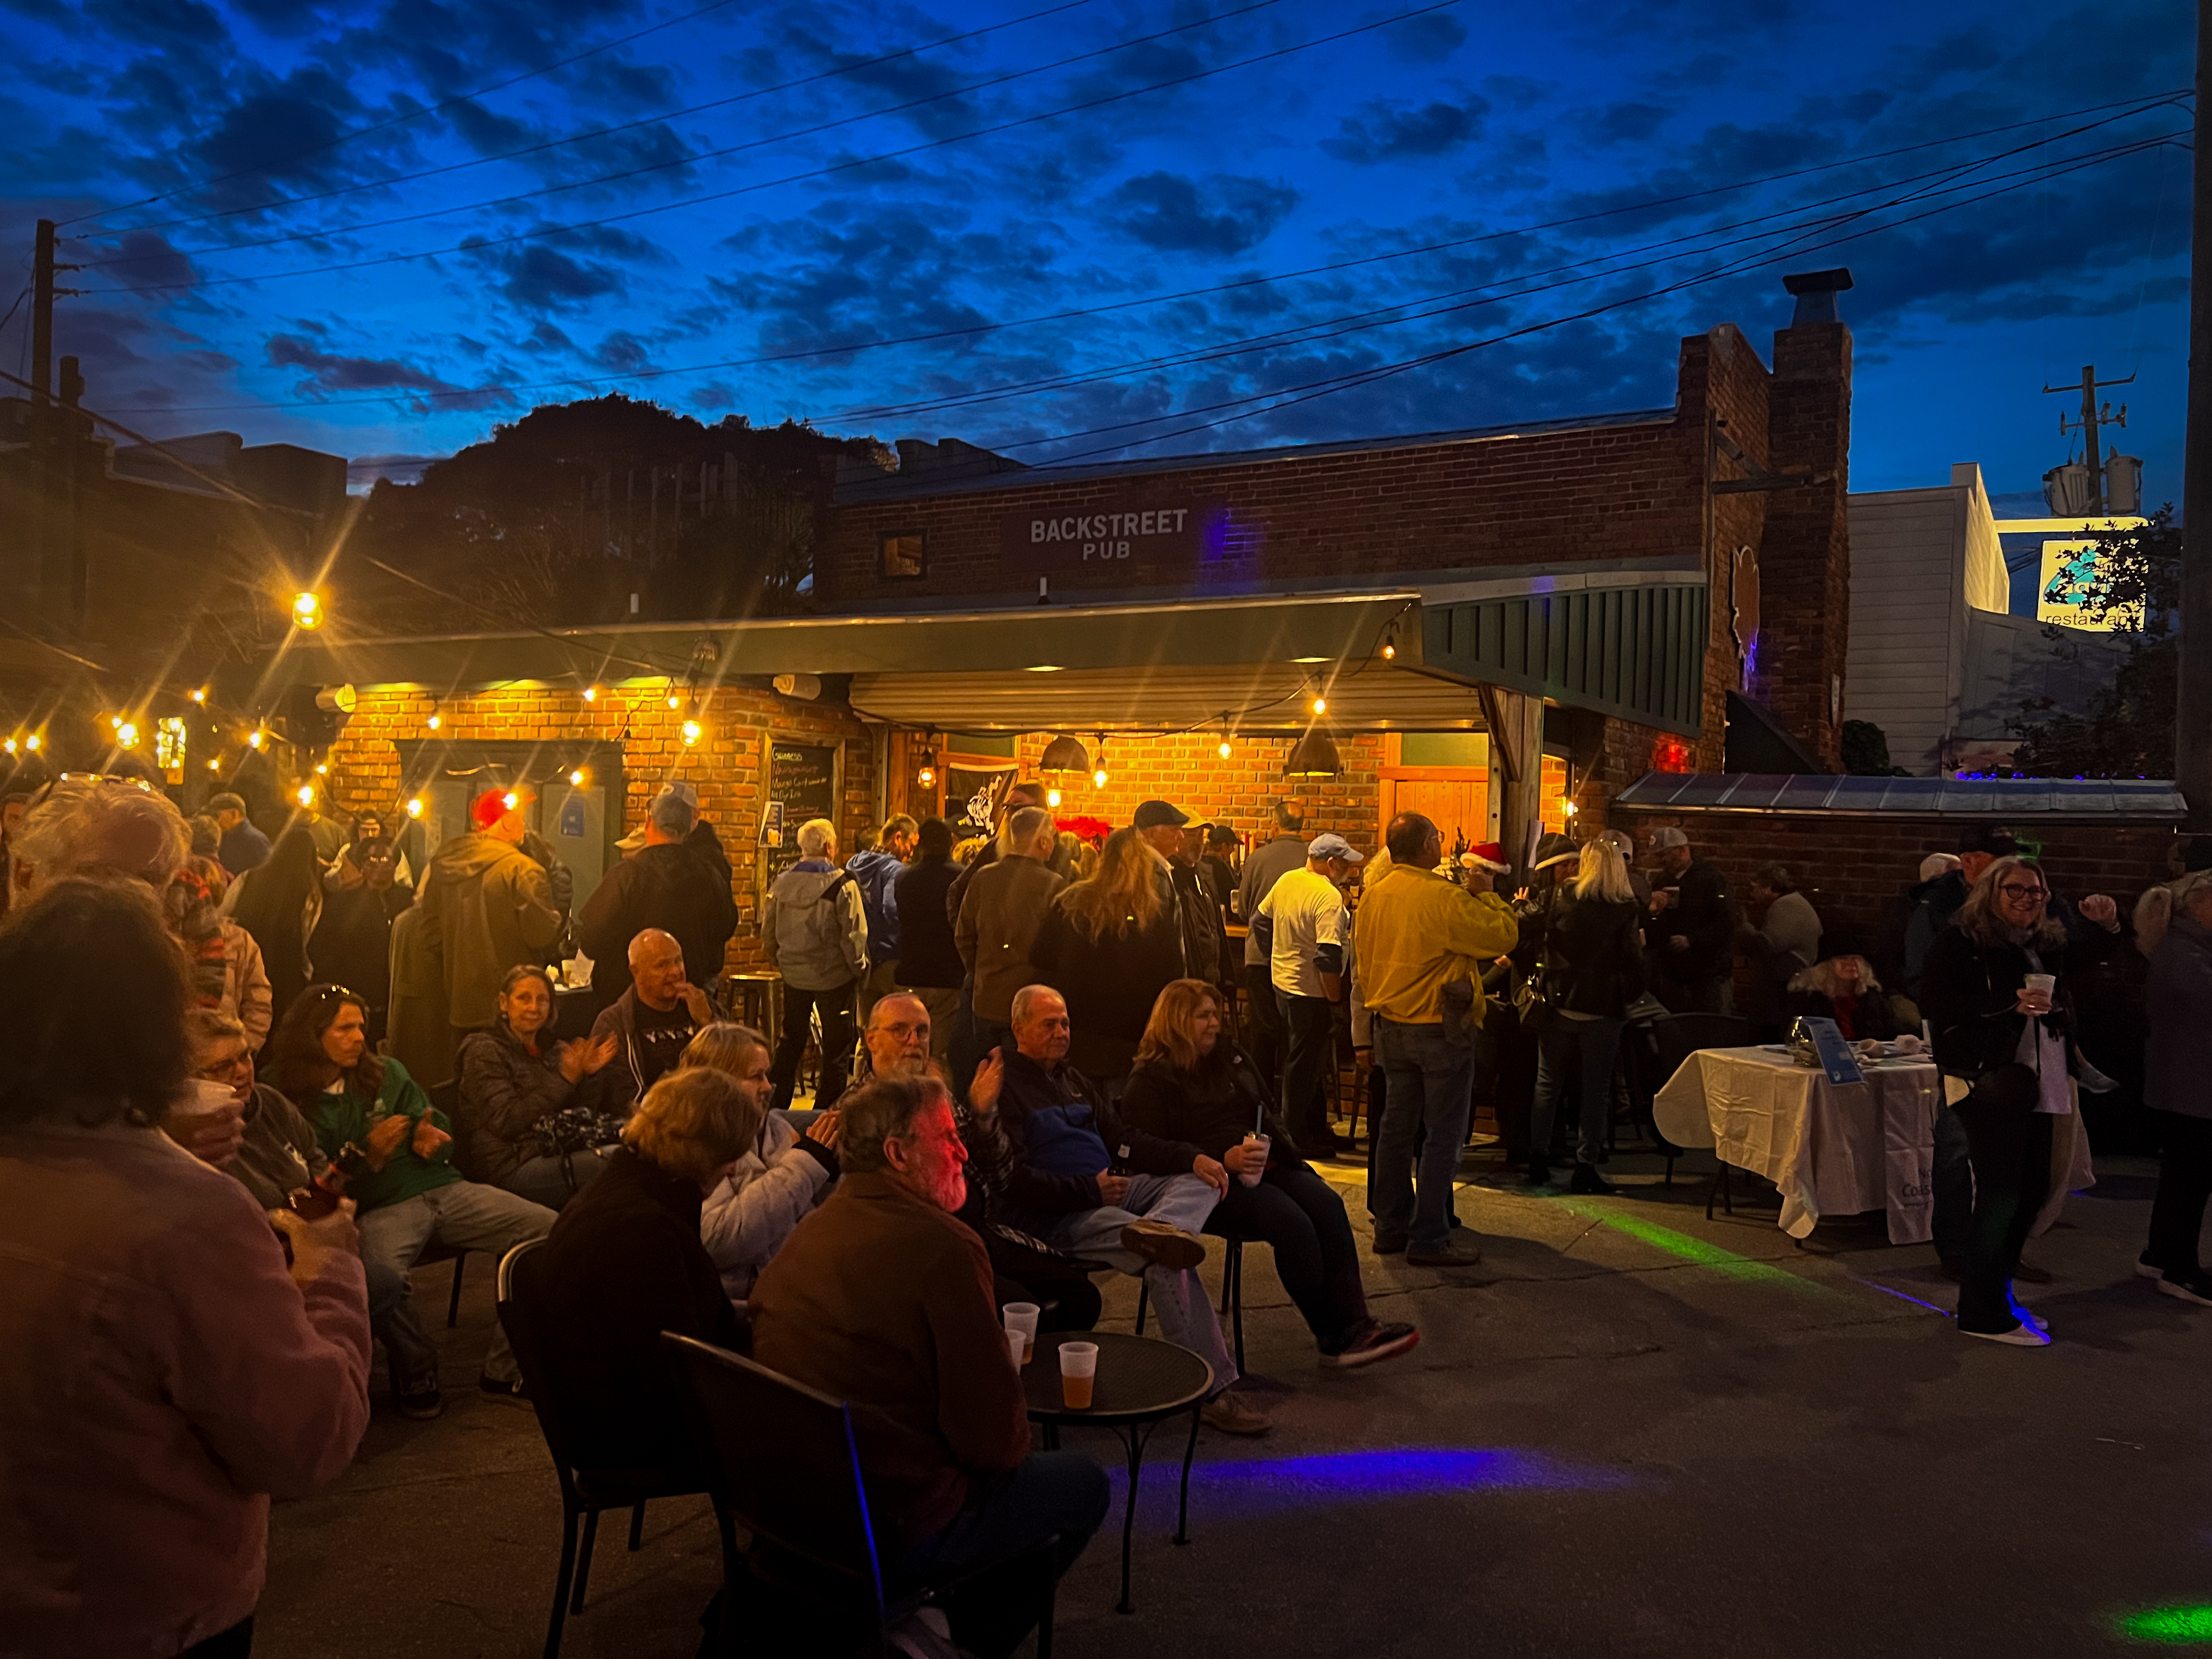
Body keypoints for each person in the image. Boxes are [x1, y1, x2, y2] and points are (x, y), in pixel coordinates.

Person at [0, 877, 369, 1658]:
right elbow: (306, 1441)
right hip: (144, 1611)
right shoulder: (189, 1219)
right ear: (158, 1032)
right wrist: (330, 1270)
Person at [750, 1073, 1110, 1656]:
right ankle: (957, 1640)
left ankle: (923, 1621)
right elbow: (994, 1443)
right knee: (1082, 1483)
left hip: (797, 1509)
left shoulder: (811, 1231)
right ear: (897, 1154)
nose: (964, 1152)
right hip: (893, 1522)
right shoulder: (943, 1245)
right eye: (947, 1138)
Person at [967, 984, 1266, 1433]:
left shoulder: (1073, 1079)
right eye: (1049, 1023)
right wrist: (1089, 1190)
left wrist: (1191, 1157)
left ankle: (1164, 1230)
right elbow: (1014, 1183)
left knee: (1198, 1181)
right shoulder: (1002, 1086)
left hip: (1112, 1192)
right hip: (1058, 1214)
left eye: (1065, 1022)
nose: (1061, 1031)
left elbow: (1125, 1140)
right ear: (1019, 1028)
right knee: (1165, 1261)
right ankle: (1215, 1392)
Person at [269, 984, 556, 1408]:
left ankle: (505, 1369)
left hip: (441, 1187)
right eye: (344, 1029)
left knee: (549, 1230)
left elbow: (433, 1121)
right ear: (312, 1036)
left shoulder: (384, 1072)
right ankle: (417, 1369)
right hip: (380, 1206)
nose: (359, 1037)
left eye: (361, 1027)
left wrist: (433, 1137)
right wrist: (368, 1157)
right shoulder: (286, 1098)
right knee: (380, 1276)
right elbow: (314, 1185)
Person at [1122, 978, 1419, 1367]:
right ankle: (1334, 1334)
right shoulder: (1151, 1078)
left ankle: (1356, 1324)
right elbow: (1144, 1148)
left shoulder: (1231, 1057)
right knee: (1290, 1221)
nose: (1215, 1024)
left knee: (1327, 1204)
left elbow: (1265, 1104)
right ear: (1177, 1021)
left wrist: (1269, 1142)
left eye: (1215, 1015)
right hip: (1203, 1181)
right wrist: (1219, 1157)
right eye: (1203, 1016)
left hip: (1262, 1162)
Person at [1920, 856, 2121, 1344]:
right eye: (2016, 890)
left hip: (2041, 1077)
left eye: (2037, 892)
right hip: (1987, 1079)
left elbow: (2090, 955)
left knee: (2032, 1189)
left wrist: (2109, 924)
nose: (2028, 899)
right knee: (2001, 1192)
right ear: (1990, 891)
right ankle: (1983, 1312)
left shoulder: (2042, 944)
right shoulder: (1960, 942)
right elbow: (1939, 1006)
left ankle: (1997, 1295)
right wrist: (2008, 1006)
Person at [532, 1066, 753, 1476]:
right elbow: (676, 1365)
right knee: (825, 1420)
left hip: (623, 1399)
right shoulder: (638, 1228)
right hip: (627, 1431)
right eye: (728, 1156)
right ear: (699, 1150)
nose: (733, 1171)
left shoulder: (638, 1190)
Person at [1356, 811, 1520, 1268]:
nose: (1442, 845)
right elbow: (1502, 936)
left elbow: (1362, 961)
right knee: (1443, 1135)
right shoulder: (1441, 897)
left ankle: (1390, 1228)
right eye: (1439, 838)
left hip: (1390, 1024)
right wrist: (1489, 897)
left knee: (1394, 1130)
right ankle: (1429, 1237)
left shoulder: (1374, 895)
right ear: (1427, 845)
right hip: (1439, 1027)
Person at [676, 1022, 841, 1312]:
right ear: (718, 1080)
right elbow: (720, 1241)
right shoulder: (693, 1144)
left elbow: (804, 1217)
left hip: (793, 1290)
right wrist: (805, 1165)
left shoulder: (774, 1128)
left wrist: (830, 1173)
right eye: (757, 1076)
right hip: (737, 1310)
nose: (768, 1086)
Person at [412, 786, 565, 1081]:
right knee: (513, 1088)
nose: (524, 825)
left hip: (459, 1003)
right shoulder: (523, 869)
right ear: (507, 823)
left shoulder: (444, 866)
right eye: (521, 817)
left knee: (469, 1086)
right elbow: (542, 935)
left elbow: (430, 934)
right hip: (515, 1009)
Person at [1522, 839, 1646, 1193]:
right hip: (1603, 1009)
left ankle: (1538, 1161)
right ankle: (1585, 1166)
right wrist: (1626, 995)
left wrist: (1541, 972)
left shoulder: (1559, 896)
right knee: (1596, 1091)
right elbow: (1633, 962)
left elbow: (1521, 927)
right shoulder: (1624, 906)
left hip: (1559, 1002)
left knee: (1547, 1085)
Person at [1031, 825, 1187, 1093]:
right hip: (1132, 1037)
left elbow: (1040, 957)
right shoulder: (1154, 915)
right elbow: (1172, 976)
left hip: (1076, 1032)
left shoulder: (1072, 902)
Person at [456, 964, 623, 1209]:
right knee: (620, 1165)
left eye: (542, 1000)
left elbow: (581, 1113)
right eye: (524, 999)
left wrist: (587, 1076)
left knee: (642, 1144)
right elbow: (508, 1121)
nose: (534, 1008)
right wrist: (565, 1079)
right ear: (504, 1003)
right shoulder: (483, 1051)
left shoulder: (552, 1048)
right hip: (513, 1164)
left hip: (557, 1149)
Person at [575, 781, 737, 1011]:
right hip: (687, 1000)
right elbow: (726, 927)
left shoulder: (627, 875)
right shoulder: (710, 875)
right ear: (689, 826)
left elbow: (591, 940)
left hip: (630, 1004)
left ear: (649, 822)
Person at [1254, 832, 1363, 1159]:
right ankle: (1294, 1138)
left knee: (1307, 1062)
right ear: (1331, 863)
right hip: (1311, 992)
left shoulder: (1288, 880)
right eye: (1346, 865)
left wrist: (1279, 957)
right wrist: (1334, 1001)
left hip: (1283, 986)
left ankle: (1316, 1130)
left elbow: (1260, 921)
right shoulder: (1328, 897)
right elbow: (1328, 957)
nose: (1350, 871)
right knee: (1302, 1067)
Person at [2132, 871, 2212, 1304]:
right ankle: (2179, 1270)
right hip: (2191, 1086)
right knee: (2191, 1179)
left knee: (2183, 1177)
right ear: (2197, 905)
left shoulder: (2188, 948)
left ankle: (2160, 1255)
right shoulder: (2183, 951)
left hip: (2188, 1083)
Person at [761, 816, 869, 1111]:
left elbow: (768, 931)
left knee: (790, 1041)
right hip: (834, 978)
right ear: (830, 846)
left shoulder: (781, 884)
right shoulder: (842, 885)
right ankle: (826, 1112)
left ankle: (775, 1105)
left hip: (794, 975)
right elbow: (854, 936)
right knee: (836, 1049)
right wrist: (858, 969)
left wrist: (780, 960)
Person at [953, 804, 1064, 1053]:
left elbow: (963, 936)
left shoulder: (983, 877)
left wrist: (981, 970)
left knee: (987, 1070)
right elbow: (1057, 947)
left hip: (986, 999)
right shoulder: (1053, 885)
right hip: (1031, 1004)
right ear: (1044, 841)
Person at [585, 928, 722, 1115]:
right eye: (662, 966)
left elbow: (738, 1067)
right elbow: (624, 1101)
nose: (675, 972)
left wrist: (708, 1022)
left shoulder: (704, 1007)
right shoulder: (614, 1023)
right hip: (652, 1123)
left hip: (710, 1116)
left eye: (678, 961)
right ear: (636, 972)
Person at [1237, 800, 1312, 1088]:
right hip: (1301, 961)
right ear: (1302, 826)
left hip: (1261, 958)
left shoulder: (1257, 858)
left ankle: (1262, 1103)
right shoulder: (1313, 858)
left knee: (1264, 1033)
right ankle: (1296, 1109)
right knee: (1298, 1037)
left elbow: (1243, 911)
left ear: (1275, 824)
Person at [308, 836, 413, 1043]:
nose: (379, 865)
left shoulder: (409, 900)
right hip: (356, 991)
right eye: (373, 859)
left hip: (397, 993)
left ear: (395, 865)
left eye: (386, 859)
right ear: (363, 865)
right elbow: (321, 947)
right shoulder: (343, 902)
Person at [226, 824, 323, 1034]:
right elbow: (307, 939)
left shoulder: (248, 878)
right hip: (286, 975)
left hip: (246, 965)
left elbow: (224, 920)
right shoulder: (311, 894)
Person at [1901, 826, 2018, 998]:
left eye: (2012, 858)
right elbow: (1920, 975)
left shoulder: (2022, 899)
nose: (2010, 865)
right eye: (1999, 859)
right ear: (1968, 861)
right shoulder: (1937, 905)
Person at [1135, 798, 1228, 991]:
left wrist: (1225, 976)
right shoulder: (1166, 877)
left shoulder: (1205, 875)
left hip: (1209, 979)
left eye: (1201, 834)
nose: (1198, 842)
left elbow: (1216, 929)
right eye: (1191, 834)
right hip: (1184, 983)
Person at [1644, 826, 1736, 1014]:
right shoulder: (1662, 880)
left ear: (1682, 850)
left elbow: (1726, 923)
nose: (1662, 861)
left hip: (1708, 974)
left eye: (1665, 854)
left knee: (1709, 1028)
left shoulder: (1711, 879)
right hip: (1673, 974)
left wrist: (1691, 940)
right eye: (1658, 856)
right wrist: (1655, 912)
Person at [893, 816, 963, 1057]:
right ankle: (935, 1095)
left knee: (908, 1049)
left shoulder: (904, 879)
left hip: (912, 973)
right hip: (949, 976)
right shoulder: (962, 878)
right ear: (950, 842)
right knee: (938, 1055)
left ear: (921, 843)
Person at [847, 814, 918, 1029]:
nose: (911, 853)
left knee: (869, 1030)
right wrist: (905, 941)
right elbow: (893, 908)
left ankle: (865, 1065)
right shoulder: (895, 870)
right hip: (889, 959)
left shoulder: (854, 864)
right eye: (911, 844)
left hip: (863, 959)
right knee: (898, 1026)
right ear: (898, 838)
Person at [1740, 862, 1821, 1039]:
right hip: (1790, 981)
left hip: (1785, 985)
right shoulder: (1794, 903)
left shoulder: (1786, 906)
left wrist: (1746, 929)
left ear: (1768, 888)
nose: (1751, 893)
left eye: (1755, 888)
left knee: (1772, 1034)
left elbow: (1768, 947)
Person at [1783, 955, 1901, 1041]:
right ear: (1826, 966)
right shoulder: (1809, 1000)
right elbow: (1796, 1038)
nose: (1852, 963)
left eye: (1856, 958)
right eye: (1843, 958)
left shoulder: (1873, 998)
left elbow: (1892, 1034)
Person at [207, 791, 272, 875]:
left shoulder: (255, 841)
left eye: (217, 815)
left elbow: (267, 874)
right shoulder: (224, 837)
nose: (213, 820)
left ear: (234, 814)